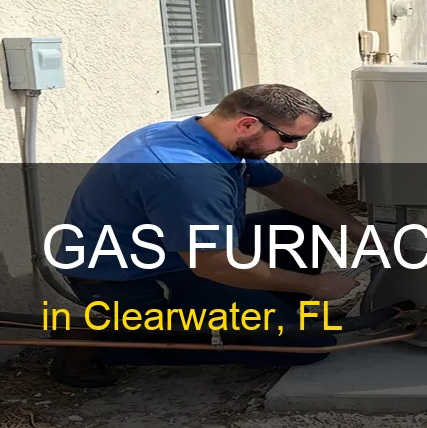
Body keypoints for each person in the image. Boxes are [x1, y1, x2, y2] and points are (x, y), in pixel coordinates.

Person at [49, 84, 374, 386]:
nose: (290, 148)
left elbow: (285, 188)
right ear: (247, 124)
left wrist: (357, 230)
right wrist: (315, 285)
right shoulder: (186, 173)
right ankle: (95, 340)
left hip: (176, 251)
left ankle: (278, 313)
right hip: (133, 280)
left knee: (301, 225)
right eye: (289, 138)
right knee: (307, 347)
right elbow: (215, 265)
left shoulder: (206, 136)